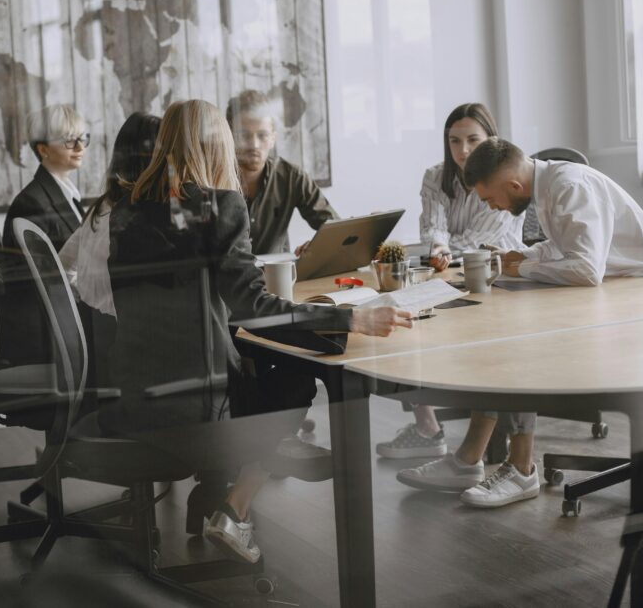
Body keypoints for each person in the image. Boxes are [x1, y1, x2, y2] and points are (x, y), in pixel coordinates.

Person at [104, 100, 413, 562]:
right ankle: (236, 507)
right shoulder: (219, 206)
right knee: (295, 374)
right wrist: (352, 319)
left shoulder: (125, 212)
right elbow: (255, 307)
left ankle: (228, 503)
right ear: (217, 145)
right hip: (200, 410)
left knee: (260, 359)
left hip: (138, 401)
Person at [396, 137, 643, 509]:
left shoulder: (570, 186)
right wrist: (522, 255)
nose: (490, 206)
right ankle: (471, 458)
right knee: (502, 331)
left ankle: (519, 467)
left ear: (513, 186)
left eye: (489, 198)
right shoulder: (548, 187)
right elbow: (564, 247)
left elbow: (588, 269)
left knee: (517, 339)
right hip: (617, 291)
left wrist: (524, 267)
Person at [376, 103, 525, 460]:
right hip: (447, 271)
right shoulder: (435, 175)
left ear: (492, 139)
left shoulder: (501, 175)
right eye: (455, 141)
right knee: (403, 317)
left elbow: (482, 237)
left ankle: (490, 434)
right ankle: (427, 426)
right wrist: (438, 244)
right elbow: (433, 224)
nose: (463, 150)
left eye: (473, 139)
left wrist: (444, 247)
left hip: (498, 275)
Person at [59, 112, 160, 318]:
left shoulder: (101, 206)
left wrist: (89, 304)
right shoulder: (135, 217)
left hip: (98, 328)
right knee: (239, 337)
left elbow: (61, 266)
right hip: (120, 334)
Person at [226, 90, 337, 255]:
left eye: (262, 135)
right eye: (244, 135)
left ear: (272, 138)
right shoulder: (212, 178)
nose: (254, 145)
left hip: (279, 277)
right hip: (229, 278)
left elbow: (334, 229)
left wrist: (317, 247)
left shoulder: (292, 177)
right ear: (229, 136)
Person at [3, 103, 90, 252]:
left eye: (82, 138)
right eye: (69, 139)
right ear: (43, 149)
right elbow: (37, 273)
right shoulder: (30, 204)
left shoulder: (70, 196)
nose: (80, 147)